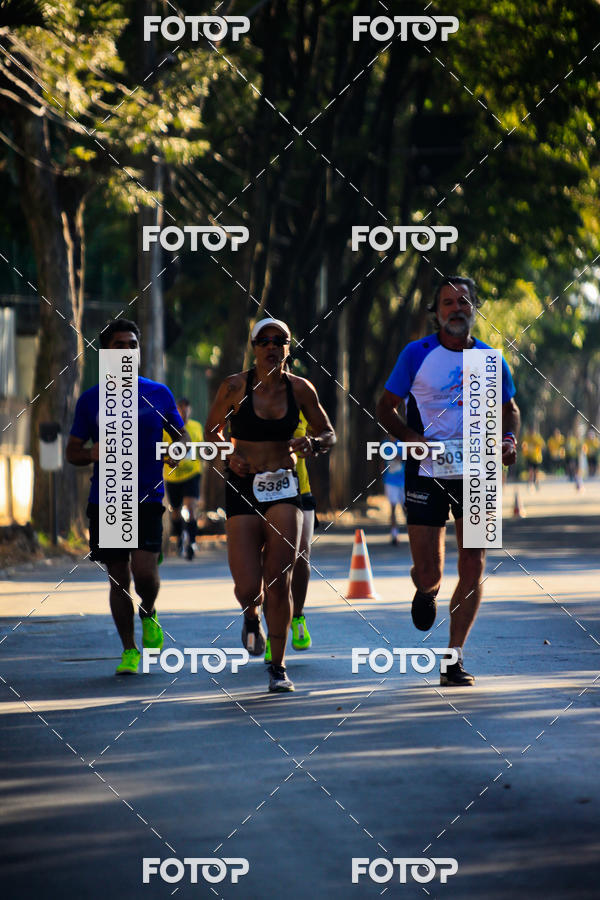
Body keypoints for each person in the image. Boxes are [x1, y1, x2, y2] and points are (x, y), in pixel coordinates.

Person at [376, 276, 520, 687]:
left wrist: (509, 439)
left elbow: (511, 410)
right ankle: (425, 590)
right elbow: (385, 408)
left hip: (479, 471)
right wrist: (410, 439)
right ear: (436, 312)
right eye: (447, 303)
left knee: (473, 565)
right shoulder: (417, 354)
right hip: (427, 470)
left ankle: (453, 658)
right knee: (430, 571)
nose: (456, 309)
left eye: (463, 302)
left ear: (474, 308)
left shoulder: (490, 359)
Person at [204, 318, 335, 693]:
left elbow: (328, 432)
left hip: (285, 488)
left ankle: (278, 667)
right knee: (248, 586)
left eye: (280, 341)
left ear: (289, 348)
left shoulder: (301, 389)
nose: (271, 347)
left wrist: (314, 444)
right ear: (254, 346)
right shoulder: (233, 386)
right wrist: (228, 457)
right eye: (264, 341)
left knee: (280, 580)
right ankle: (250, 615)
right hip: (243, 485)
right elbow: (211, 432)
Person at [66, 319, 189, 675]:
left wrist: (175, 451)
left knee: (145, 573)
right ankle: (129, 651)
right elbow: (72, 451)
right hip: (108, 498)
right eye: (118, 345)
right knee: (119, 577)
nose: (126, 350)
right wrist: (93, 454)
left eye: (132, 345)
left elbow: (179, 437)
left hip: (148, 496)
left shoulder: (158, 393)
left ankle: (148, 611)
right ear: (105, 353)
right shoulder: (90, 401)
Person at [264, 410, 317, 664]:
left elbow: (327, 434)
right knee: (271, 565)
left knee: (302, 556)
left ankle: (297, 615)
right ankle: (272, 633)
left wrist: (314, 443)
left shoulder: (301, 396)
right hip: (261, 493)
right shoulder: (248, 395)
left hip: (300, 490)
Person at [164, 398, 204, 559]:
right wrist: (170, 456)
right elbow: (160, 449)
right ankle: (180, 538)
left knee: (191, 507)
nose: (184, 413)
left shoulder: (196, 427)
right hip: (172, 476)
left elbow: (201, 450)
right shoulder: (167, 429)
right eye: (181, 410)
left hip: (192, 473)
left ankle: (192, 542)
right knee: (176, 511)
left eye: (187, 410)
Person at [381, 437, 406, 545]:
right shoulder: (384, 444)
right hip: (390, 481)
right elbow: (382, 461)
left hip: (403, 480)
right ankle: (394, 534)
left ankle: (412, 530)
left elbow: (408, 458)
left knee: (406, 508)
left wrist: (399, 457)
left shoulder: (402, 443)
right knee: (392, 507)